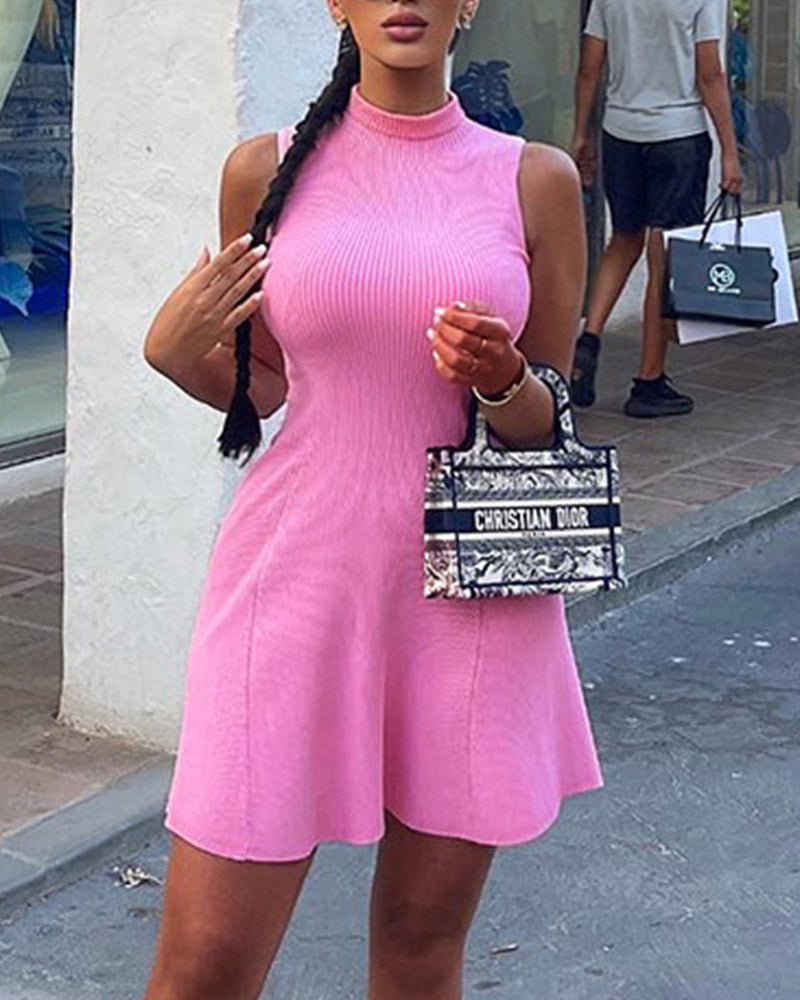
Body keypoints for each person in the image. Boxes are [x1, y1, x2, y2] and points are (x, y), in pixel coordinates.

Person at [141, 2, 603, 996]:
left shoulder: (533, 180)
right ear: (333, 3)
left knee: (417, 953)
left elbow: (549, 416)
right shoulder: (261, 174)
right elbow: (264, 386)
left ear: (468, 2)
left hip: (472, 606)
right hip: (292, 586)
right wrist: (177, 356)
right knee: (201, 969)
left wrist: (503, 383)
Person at [571, 0, 743, 418]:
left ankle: (588, 341)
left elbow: (590, 68)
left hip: (620, 133)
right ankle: (648, 381)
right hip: (678, 136)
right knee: (663, 258)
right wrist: (730, 151)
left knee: (622, 239)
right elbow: (710, 73)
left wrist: (581, 134)